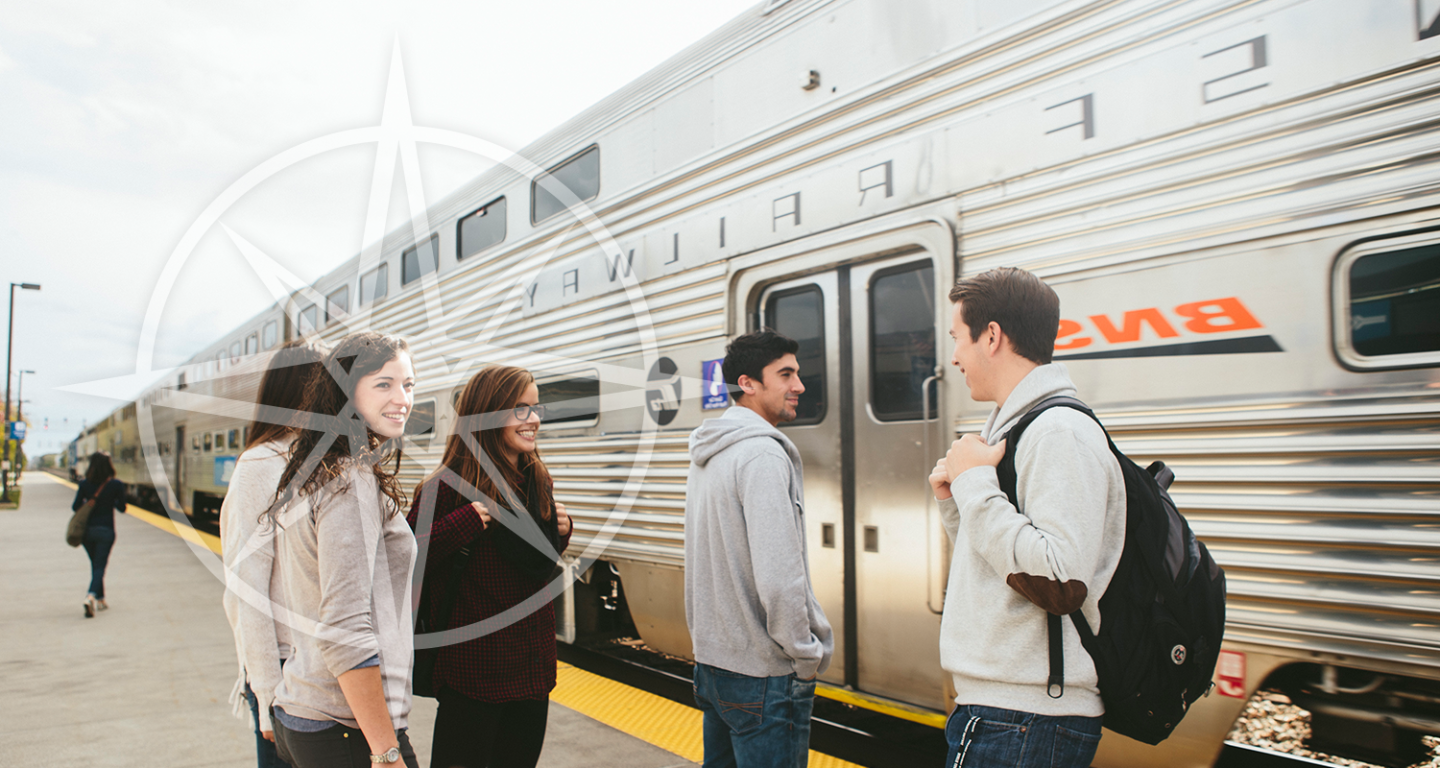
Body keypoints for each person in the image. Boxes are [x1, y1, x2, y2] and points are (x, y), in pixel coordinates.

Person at [927, 267, 1126, 768]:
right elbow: (1005, 567)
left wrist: (975, 484)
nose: (953, 357)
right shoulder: (1018, 426)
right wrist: (958, 500)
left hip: (1027, 718)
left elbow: (1059, 577)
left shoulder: (1058, 431)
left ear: (991, 335)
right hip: (1009, 711)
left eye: (958, 339)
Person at [407, 365, 572, 768]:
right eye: (520, 409)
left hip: (532, 673)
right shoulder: (444, 487)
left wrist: (560, 533)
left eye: (535, 408)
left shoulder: (536, 480)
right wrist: (458, 526)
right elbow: (401, 561)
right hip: (473, 676)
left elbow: (533, 567)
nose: (534, 419)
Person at [267, 331, 420, 768]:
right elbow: (345, 628)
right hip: (345, 724)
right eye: (384, 384)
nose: (402, 399)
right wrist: (387, 752)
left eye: (408, 384)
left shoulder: (315, 469)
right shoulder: (349, 479)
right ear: (346, 391)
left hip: (308, 709)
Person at [684, 329, 833, 768]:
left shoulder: (710, 452)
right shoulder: (762, 457)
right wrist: (804, 655)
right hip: (763, 675)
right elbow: (779, 575)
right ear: (747, 383)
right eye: (785, 374)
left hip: (714, 667)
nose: (799, 386)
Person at [222, 338, 328, 768]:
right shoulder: (260, 466)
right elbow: (246, 588)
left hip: (325, 662)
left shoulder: (322, 457)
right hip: (285, 666)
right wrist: (266, 690)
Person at [72, 451, 127, 618]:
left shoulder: (84, 484)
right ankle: (90, 597)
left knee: (96, 565)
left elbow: (75, 507)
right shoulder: (116, 484)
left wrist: (88, 503)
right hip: (106, 531)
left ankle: (101, 599)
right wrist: (112, 500)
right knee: (100, 566)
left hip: (87, 532)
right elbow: (122, 508)